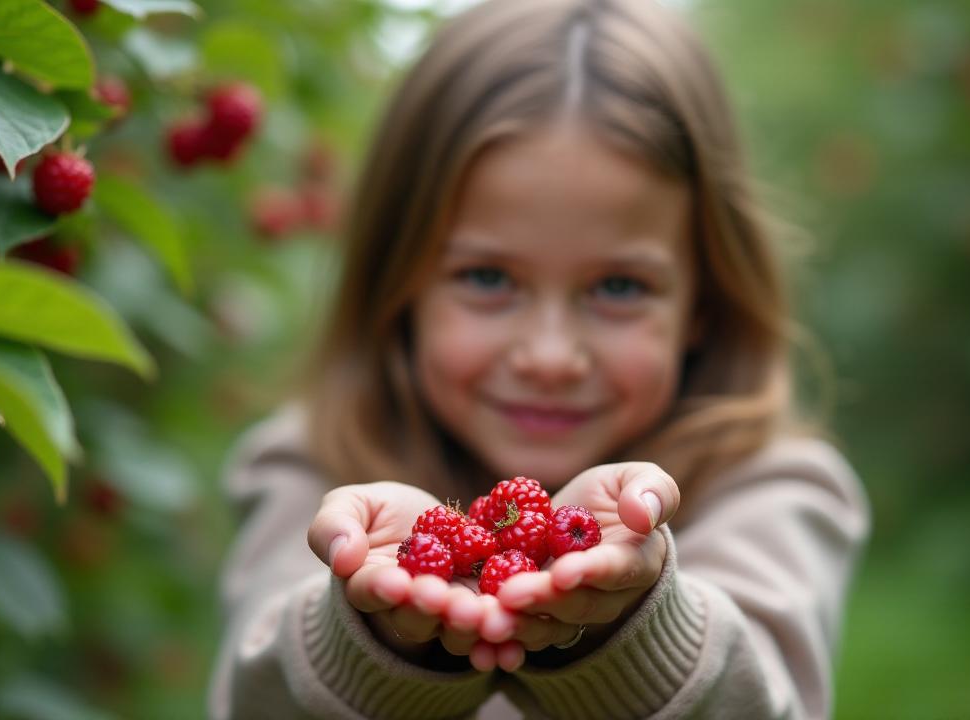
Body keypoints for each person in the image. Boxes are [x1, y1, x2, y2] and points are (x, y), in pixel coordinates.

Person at [207, 0, 870, 717]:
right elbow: (250, 698)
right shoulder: (308, 469)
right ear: (396, 283)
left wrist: (636, 630)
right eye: (488, 279)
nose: (551, 357)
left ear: (703, 303)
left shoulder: (774, 491)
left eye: (619, 287)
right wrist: (367, 639)